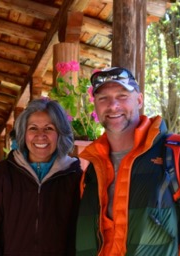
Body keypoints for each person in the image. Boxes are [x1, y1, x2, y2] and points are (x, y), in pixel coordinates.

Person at [76, 67, 180, 256]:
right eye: (103, 98)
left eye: (122, 95)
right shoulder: (91, 172)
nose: (113, 105)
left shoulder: (174, 153)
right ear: (96, 107)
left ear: (139, 100)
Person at [0, 98, 83, 256]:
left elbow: (81, 236)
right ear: (23, 134)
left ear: (60, 134)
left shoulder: (76, 178)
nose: (40, 135)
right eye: (33, 128)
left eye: (49, 128)